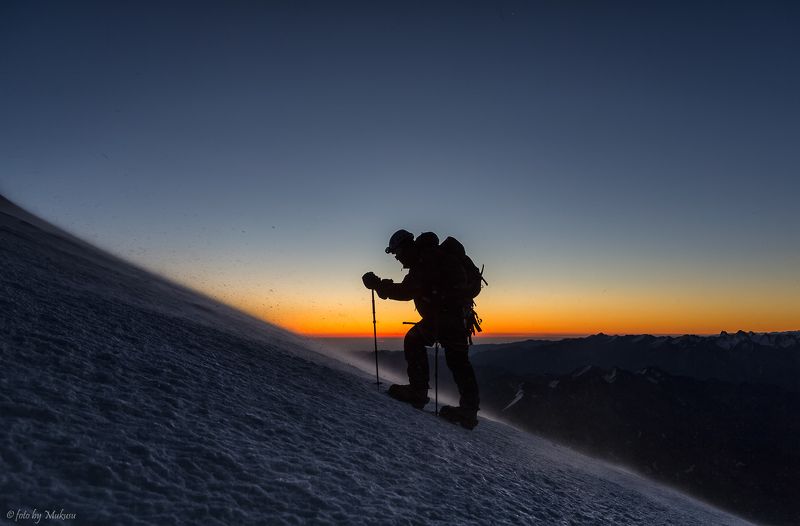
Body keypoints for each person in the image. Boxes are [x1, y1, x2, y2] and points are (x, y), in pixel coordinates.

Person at [362, 229, 480, 429]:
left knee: (414, 340)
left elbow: (406, 291)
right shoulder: (433, 256)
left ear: (405, 247)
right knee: (459, 362)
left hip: (444, 318)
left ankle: (418, 391)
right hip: (460, 317)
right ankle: (469, 411)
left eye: (397, 253)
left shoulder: (425, 260)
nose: (397, 258)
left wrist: (378, 285)